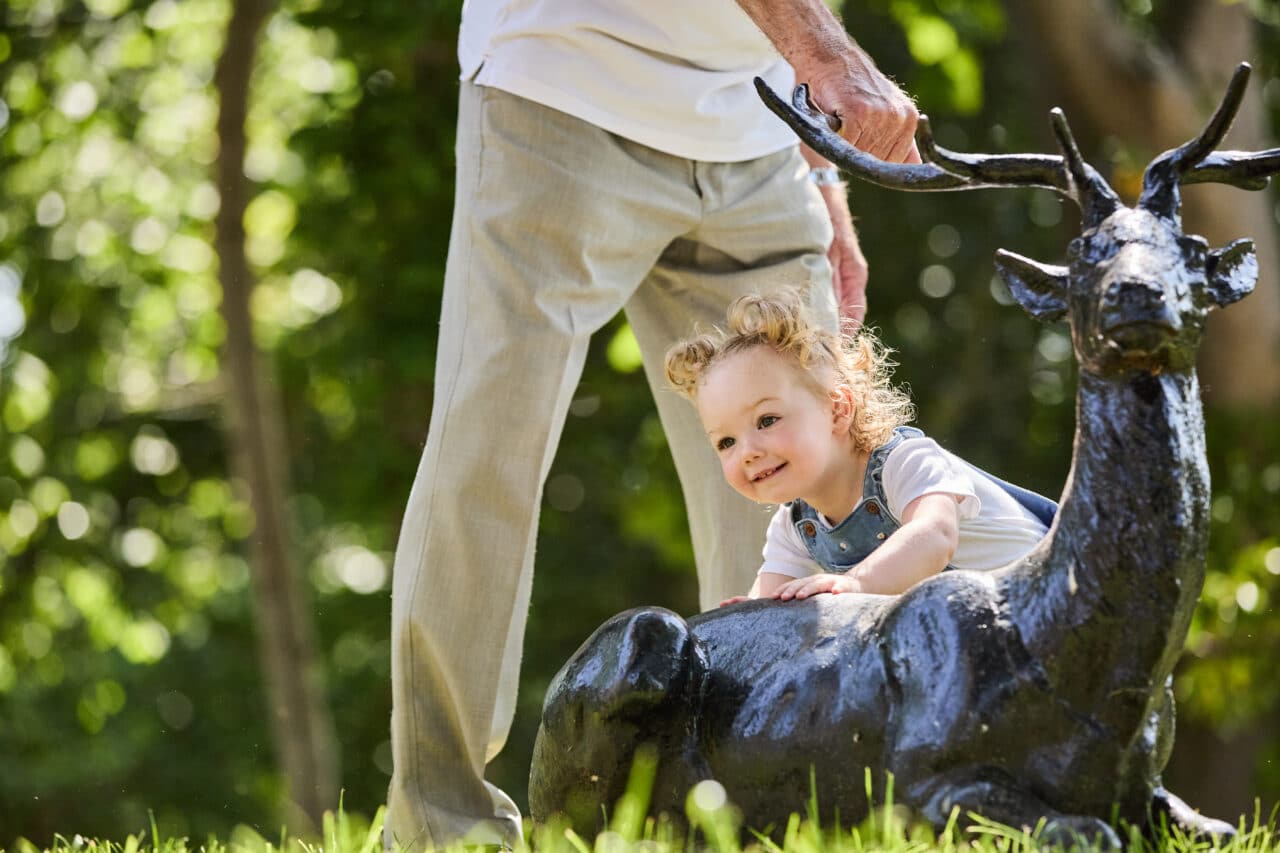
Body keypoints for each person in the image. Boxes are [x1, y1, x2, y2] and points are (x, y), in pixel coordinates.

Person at [384, 0, 921, 847]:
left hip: (757, 135)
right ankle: (442, 826)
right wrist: (830, 57)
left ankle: (778, 812)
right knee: (488, 456)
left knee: (813, 474)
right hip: (561, 92)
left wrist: (824, 176)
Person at [664, 291, 1057, 603]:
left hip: (1049, 592)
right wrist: (746, 621)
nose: (747, 451)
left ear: (837, 409)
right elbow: (769, 606)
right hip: (973, 632)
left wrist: (856, 584)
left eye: (767, 420)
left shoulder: (904, 463)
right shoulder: (795, 525)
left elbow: (935, 536)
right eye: (726, 442)